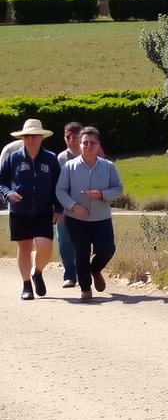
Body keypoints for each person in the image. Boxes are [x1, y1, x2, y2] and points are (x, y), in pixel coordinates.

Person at [54, 127, 121, 302]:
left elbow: (118, 188)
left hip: (102, 218)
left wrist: (102, 194)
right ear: (80, 145)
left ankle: (95, 269)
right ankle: (85, 288)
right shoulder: (69, 167)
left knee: (107, 249)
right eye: (85, 143)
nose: (88, 146)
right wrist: (73, 206)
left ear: (98, 146)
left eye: (92, 143)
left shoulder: (108, 167)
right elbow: (60, 190)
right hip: (77, 218)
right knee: (81, 252)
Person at [1, 119, 63, 301]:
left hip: (44, 210)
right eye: (27, 136)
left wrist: (58, 208)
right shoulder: (13, 158)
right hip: (19, 210)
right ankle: (26, 284)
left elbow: (58, 186)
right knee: (24, 247)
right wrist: (8, 193)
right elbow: (1, 182)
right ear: (22, 138)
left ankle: (38, 272)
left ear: (41, 137)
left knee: (45, 246)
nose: (30, 139)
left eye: (34, 136)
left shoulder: (51, 159)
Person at [54, 122, 83, 290]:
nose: (71, 140)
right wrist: (58, 209)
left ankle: (83, 273)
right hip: (65, 207)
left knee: (82, 241)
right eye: (68, 137)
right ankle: (70, 275)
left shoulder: (89, 155)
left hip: (85, 206)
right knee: (64, 241)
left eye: (75, 136)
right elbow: (57, 186)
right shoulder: (60, 159)